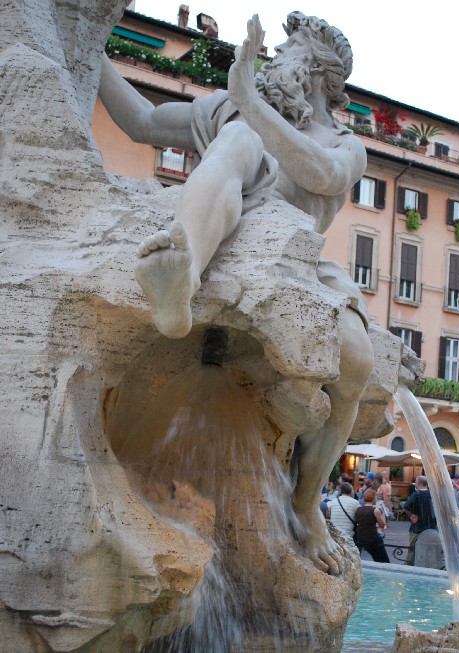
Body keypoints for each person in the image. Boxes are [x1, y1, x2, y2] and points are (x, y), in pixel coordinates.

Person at [98, 12, 373, 576]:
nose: (276, 57)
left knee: (357, 361)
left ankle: (306, 501)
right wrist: (83, 47)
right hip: (222, 228)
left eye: (291, 50)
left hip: (298, 261)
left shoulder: (343, 143)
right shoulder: (234, 111)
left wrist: (251, 98)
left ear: (323, 74)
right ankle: (181, 271)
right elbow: (142, 121)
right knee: (236, 140)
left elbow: (320, 174)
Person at [403, 475, 437, 565]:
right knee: (431, 548)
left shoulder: (416, 494)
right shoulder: (433, 494)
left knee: (412, 549)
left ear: (417, 484)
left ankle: (408, 567)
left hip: (417, 527)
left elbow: (406, 506)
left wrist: (411, 515)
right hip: (431, 526)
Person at [354, 489, 390, 563]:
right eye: (376, 497)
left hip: (360, 537)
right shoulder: (375, 510)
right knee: (383, 560)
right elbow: (382, 525)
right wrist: (382, 514)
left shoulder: (358, 509)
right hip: (372, 537)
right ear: (374, 498)